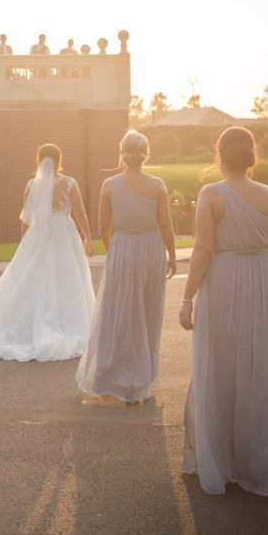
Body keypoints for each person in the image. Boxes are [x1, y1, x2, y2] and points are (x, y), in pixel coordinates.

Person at [179, 126, 268, 495]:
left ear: (219, 154)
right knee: (263, 370)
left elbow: (203, 251)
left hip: (225, 284)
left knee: (223, 367)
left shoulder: (211, 194)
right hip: (267, 282)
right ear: (252, 155)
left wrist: (186, 297)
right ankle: (263, 462)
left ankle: (223, 459)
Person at [0, 144, 95, 362]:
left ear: (38, 160)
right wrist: (87, 237)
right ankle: (65, 323)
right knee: (66, 278)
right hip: (63, 234)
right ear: (60, 160)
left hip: (38, 234)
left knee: (33, 279)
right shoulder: (70, 183)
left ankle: (30, 324)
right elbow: (80, 213)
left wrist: (25, 243)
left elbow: (26, 219)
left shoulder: (31, 185)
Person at [77, 130, 176, 401]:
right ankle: (141, 377)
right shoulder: (157, 185)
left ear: (122, 153)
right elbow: (166, 225)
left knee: (118, 313)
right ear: (146, 153)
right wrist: (173, 255)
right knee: (147, 311)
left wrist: (116, 251)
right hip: (151, 249)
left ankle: (113, 374)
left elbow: (102, 227)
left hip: (122, 246)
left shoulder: (109, 185)